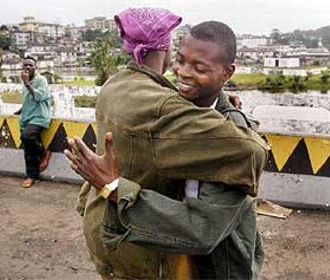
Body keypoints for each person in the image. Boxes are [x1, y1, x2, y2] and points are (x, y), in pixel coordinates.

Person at [66, 8, 268, 279]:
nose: (183, 73)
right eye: (181, 61)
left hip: (217, 268)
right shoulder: (174, 107)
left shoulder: (230, 136)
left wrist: (115, 189)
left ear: (227, 72)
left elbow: (203, 231)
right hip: (173, 261)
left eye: (199, 68)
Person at [17, 56, 52, 188]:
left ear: (35, 67)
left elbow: (39, 96)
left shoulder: (41, 80)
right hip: (27, 117)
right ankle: (31, 176)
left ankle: (43, 152)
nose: (27, 67)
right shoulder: (26, 81)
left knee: (27, 136)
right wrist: (21, 109)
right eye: (25, 65)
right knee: (27, 148)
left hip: (40, 117)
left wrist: (27, 83)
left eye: (30, 65)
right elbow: (28, 99)